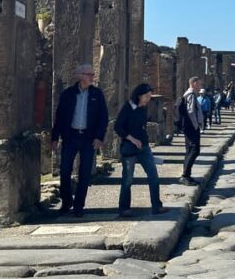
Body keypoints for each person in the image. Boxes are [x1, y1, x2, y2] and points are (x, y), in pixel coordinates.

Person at [51, 64, 109, 217]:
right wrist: (55, 137)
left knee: (84, 173)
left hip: (89, 139)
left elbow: (103, 118)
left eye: (92, 74)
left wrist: (99, 137)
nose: (92, 77)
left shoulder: (97, 94)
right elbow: (60, 116)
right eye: (89, 74)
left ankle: (79, 206)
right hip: (70, 137)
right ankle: (66, 202)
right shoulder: (68, 94)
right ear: (80, 76)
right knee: (64, 170)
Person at [114, 83, 168, 217]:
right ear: (139, 95)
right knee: (128, 179)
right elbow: (118, 127)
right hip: (129, 147)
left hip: (144, 147)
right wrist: (131, 139)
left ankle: (157, 206)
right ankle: (124, 208)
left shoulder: (143, 108)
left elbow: (142, 126)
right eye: (146, 96)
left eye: (150, 96)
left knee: (153, 176)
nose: (148, 99)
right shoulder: (128, 107)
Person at [180, 76, 205, 186]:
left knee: (190, 150)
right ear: (194, 83)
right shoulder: (190, 95)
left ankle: (187, 175)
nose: (200, 86)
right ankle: (185, 176)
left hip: (190, 127)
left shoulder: (191, 94)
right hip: (191, 127)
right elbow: (190, 112)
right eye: (199, 83)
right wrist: (196, 126)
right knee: (194, 150)